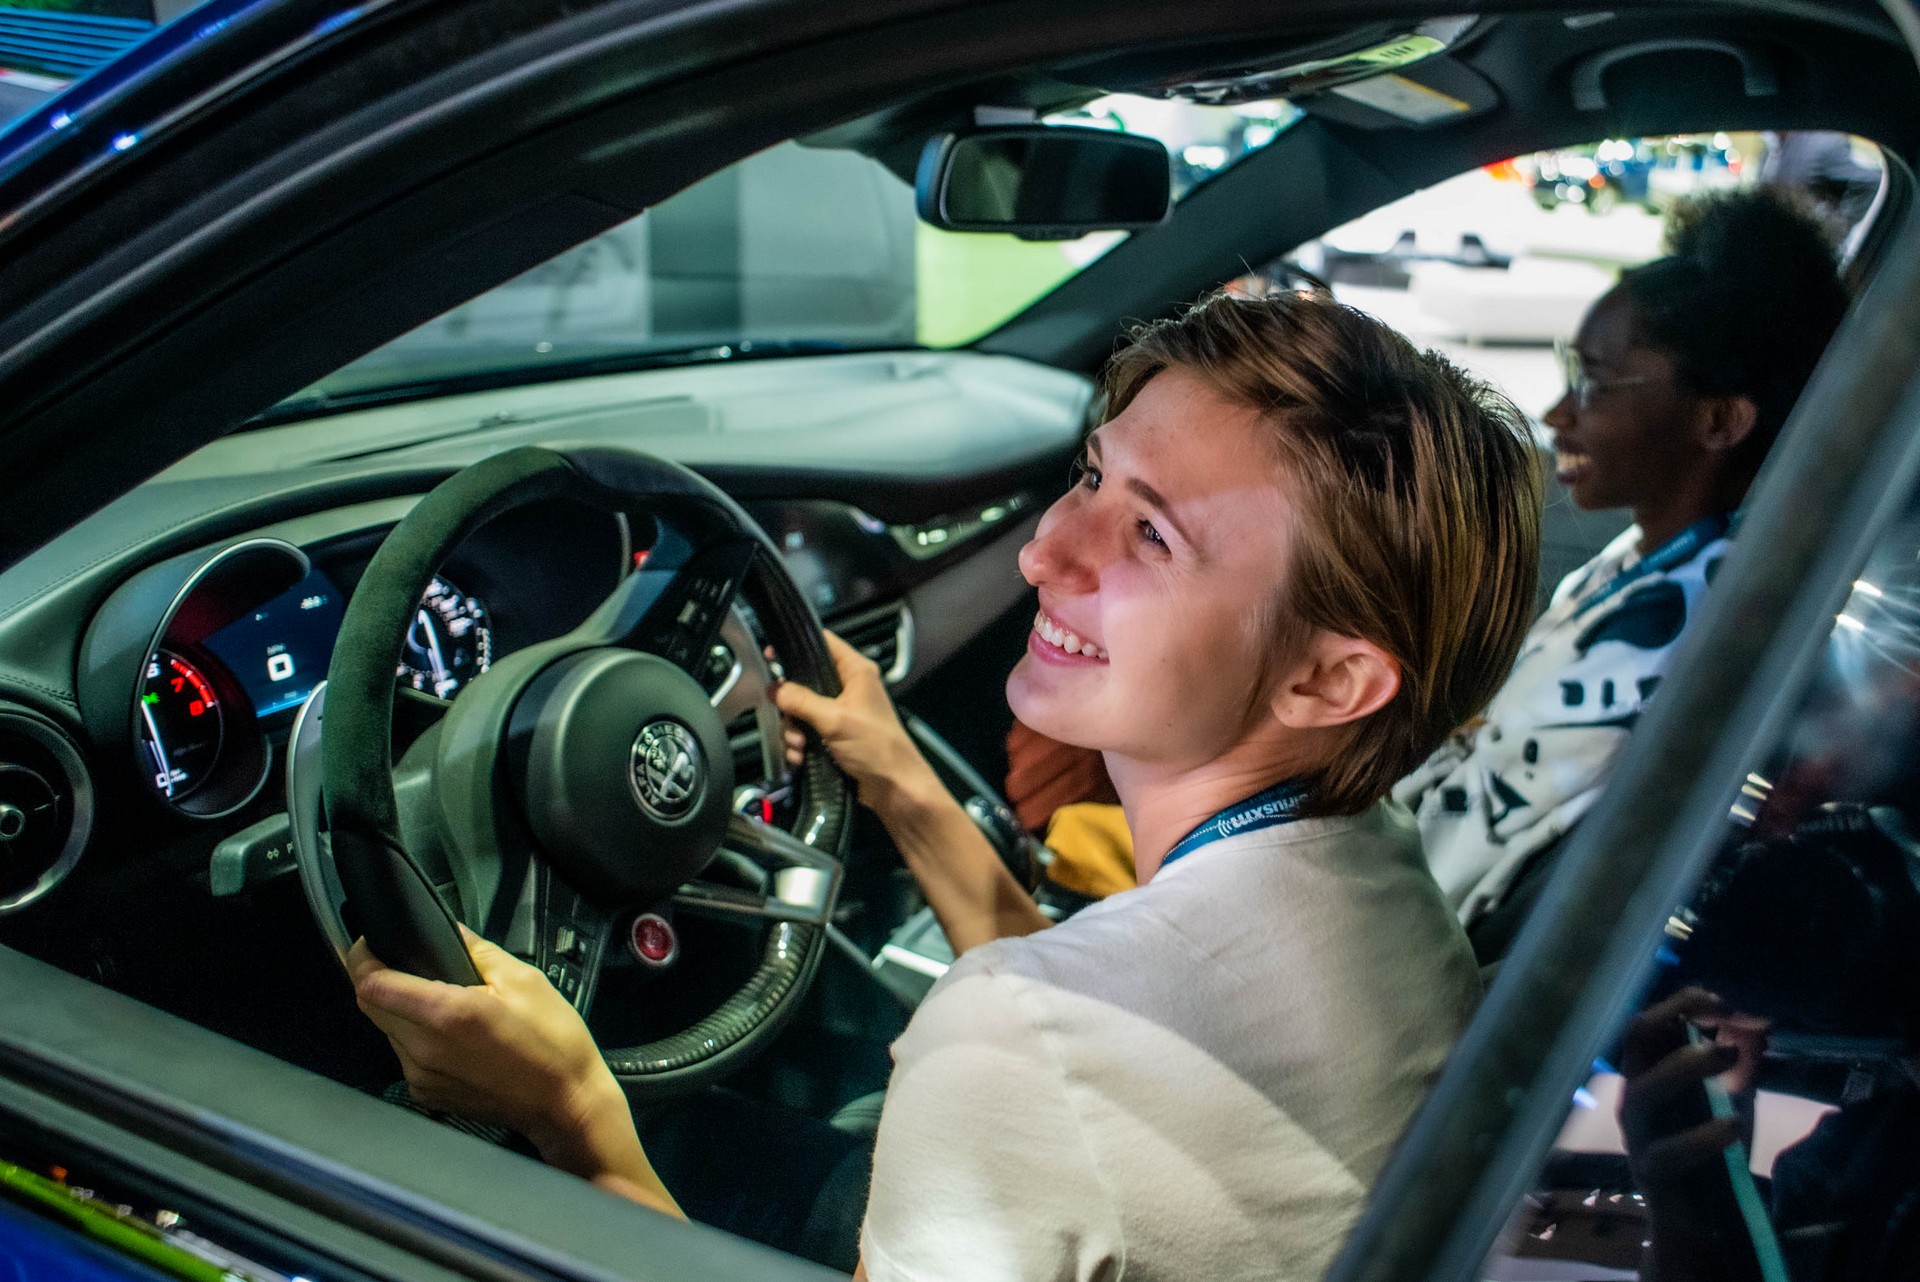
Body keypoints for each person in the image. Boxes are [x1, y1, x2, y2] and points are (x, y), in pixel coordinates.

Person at [347, 291, 1544, 1280]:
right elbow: (1080, 1031)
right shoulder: (1376, 867)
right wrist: (902, 781)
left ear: (1333, 680)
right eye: (1091, 478)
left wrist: (568, 1112)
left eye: (1152, 538)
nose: (1044, 551)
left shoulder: (1019, 1041)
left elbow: (1046, 1035)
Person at [1395, 188, 1850, 935]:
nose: (1559, 415)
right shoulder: (1661, 566)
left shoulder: (1661, 648)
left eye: (1597, 384)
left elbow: (1456, 869)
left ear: (1719, 419)